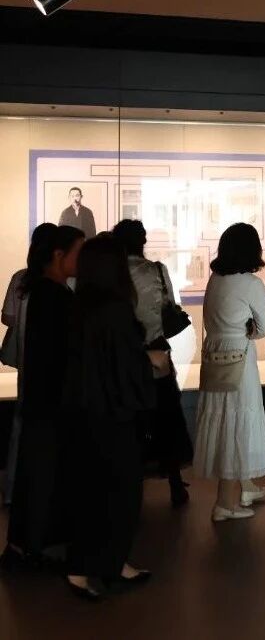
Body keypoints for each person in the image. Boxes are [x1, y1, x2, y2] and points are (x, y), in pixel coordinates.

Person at [63, 235, 157, 600]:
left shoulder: (78, 306)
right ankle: (98, 565)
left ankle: (101, 564)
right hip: (112, 414)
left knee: (90, 492)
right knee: (121, 494)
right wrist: (150, 363)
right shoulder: (115, 310)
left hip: (81, 412)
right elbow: (125, 366)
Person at [2, 225, 84, 569]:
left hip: (41, 398)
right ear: (58, 255)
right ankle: (37, 548)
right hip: (52, 402)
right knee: (45, 476)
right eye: (78, 252)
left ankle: (28, 546)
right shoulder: (55, 296)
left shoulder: (40, 290)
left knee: (37, 474)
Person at [112, 220, 193, 508]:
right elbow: (169, 305)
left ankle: (129, 487)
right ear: (142, 241)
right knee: (166, 418)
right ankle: (175, 483)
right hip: (157, 353)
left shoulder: (112, 273)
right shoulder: (157, 270)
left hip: (124, 356)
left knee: (130, 422)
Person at [193, 223, 265, 522]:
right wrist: (248, 330)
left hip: (214, 354)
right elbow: (263, 327)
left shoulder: (215, 279)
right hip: (239, 356)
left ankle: (245, 486)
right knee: (236, 424)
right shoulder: (251, 283)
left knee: (223, 419)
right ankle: (225, 503)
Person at [1, 223, 58, 506]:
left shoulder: (21, 278)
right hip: (54, 363)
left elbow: (7, 318)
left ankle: (14, 490)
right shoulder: (62, 284)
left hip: (26, 359)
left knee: (22, 422)